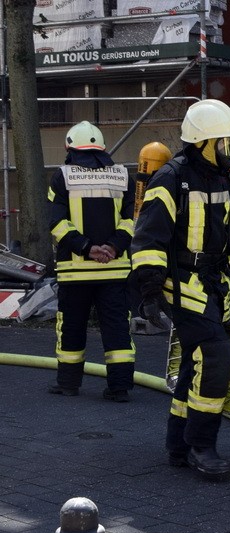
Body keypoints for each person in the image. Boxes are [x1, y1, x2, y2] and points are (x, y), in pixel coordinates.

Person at [131, 98, 230, 476]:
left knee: (197, 362)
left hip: (214, 286)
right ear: (203, 143)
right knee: (215, 357)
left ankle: (178, 446)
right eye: (225, 143)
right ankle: (201, 445)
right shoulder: (171, 177)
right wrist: (148, 296)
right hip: (181, 286)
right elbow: (148, 240)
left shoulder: (224, 178)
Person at [47, 121, 135, 402]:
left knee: (72, 326)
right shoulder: (123, 176)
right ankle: (120, 388)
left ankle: (68, 384)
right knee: (117, 327)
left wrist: (87, 248)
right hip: (115, 269)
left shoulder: (61, 177)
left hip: (74, 272)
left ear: (68, 147)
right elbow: (133, 221)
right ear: (103, 148)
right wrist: (112, 247)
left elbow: (57, 223)